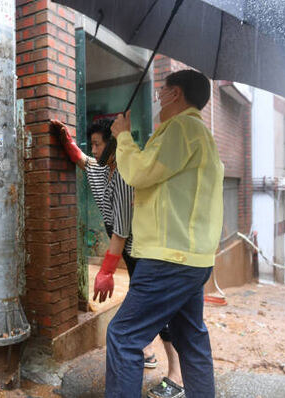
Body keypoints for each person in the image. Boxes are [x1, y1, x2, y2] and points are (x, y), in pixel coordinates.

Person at [106, 69, 224, 398]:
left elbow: (139, 173)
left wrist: (123, 136)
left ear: (176, 94)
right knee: (191, 339)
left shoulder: (181, 129)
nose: (157, 97)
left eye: (161, 91)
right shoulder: (201, 134)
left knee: (124, 335)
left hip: (168, 259)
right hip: (193, 259)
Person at [49, 119, 184, 384]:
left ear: (113, 146)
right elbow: (84, 161)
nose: (95, 150)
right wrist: (69, 145)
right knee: (140, 301)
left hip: (146, 252)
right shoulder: (103, 168)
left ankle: (177, 376)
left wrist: (106, 272)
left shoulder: (124, 173)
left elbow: (120, 233)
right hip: (132, 251)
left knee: (157, 311)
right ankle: (147, 351)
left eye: (98, 144)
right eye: (93, 145)